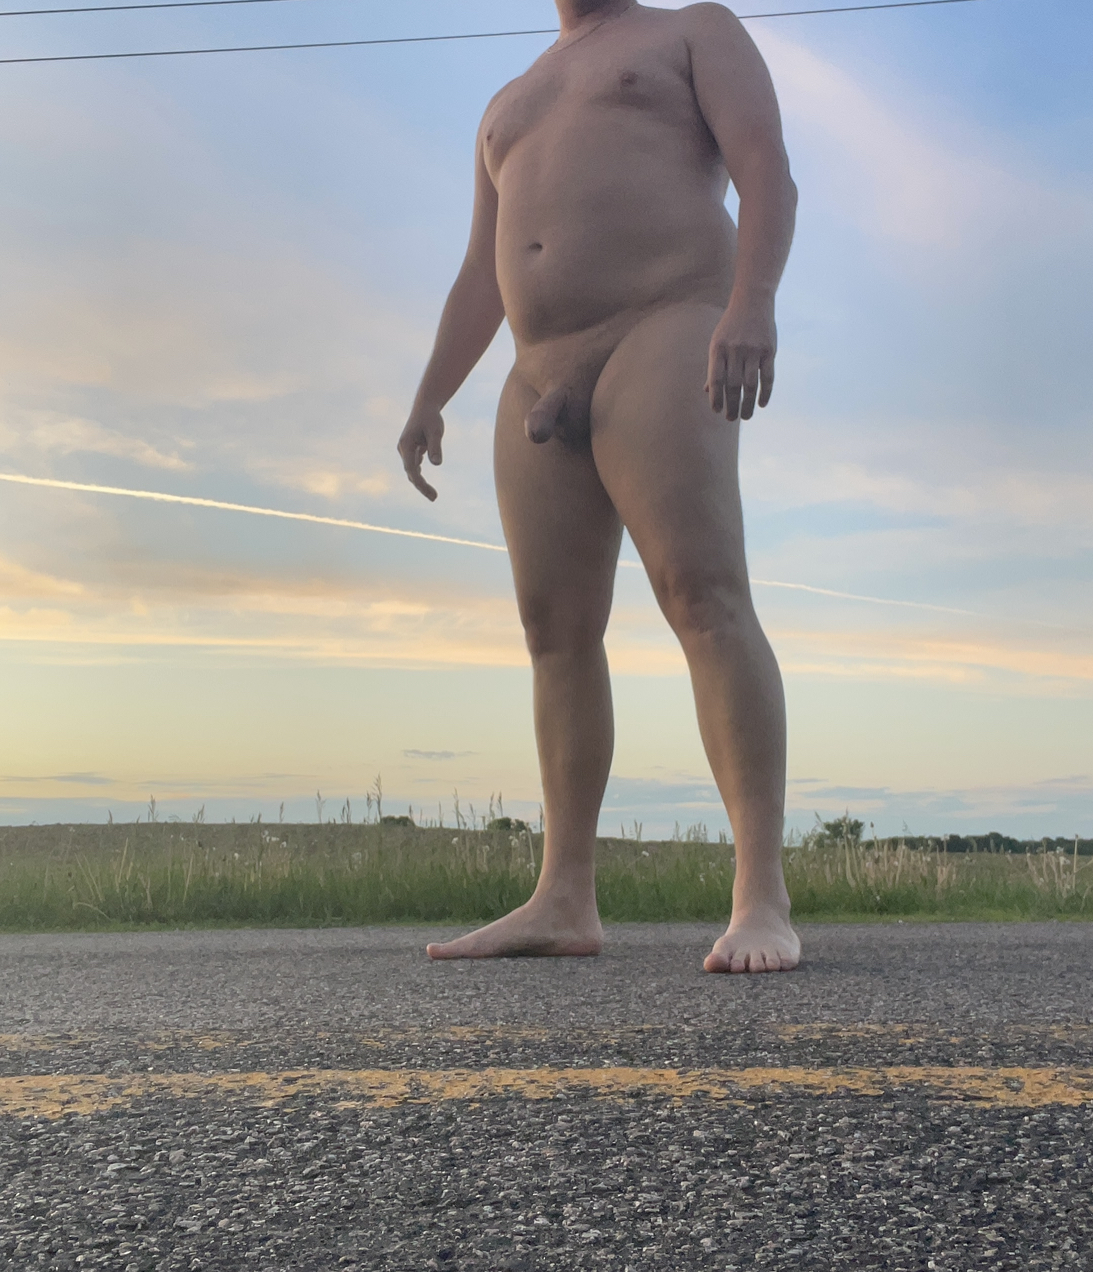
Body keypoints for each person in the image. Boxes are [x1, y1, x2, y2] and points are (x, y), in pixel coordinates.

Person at [398, 0, 800, 973]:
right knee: (554, 632)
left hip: (663, 322)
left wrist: (751, 303)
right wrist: (429, 395)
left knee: (701, 591)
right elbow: (481, 271)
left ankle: (761, 897)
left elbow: (765, 171)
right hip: (537, 367)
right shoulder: (509, 101)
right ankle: (563, 897)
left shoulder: (692, 29)